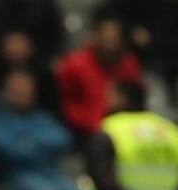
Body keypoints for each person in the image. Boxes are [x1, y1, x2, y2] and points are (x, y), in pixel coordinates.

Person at [0, 68, 78, 190]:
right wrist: (40, 145)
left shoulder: (41, 116)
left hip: (49, 172)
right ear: (6, 92)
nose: (24, 94)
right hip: (14, 176)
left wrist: (27, 141)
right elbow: (11, 150)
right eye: (18, 90)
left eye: (27, 90)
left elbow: (63, 139)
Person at [56, 14, 142, 142]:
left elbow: (137, 100)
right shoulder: (75, 65)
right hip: (84, 133)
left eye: (114, 40)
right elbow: (66, 104)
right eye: (106, 39)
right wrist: (95, 124)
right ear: (95, 37)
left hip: (126, 130)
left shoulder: (130, 64)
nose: (110, 46)